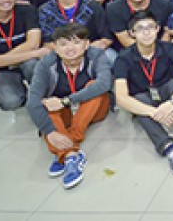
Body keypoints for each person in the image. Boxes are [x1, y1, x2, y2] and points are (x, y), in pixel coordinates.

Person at [113, 10, 173, 177]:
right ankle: (168, 147)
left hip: (167, 93)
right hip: (145, 98)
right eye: (140, 29)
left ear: (158, 29)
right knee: (137, 101)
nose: (147, 32)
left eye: (150, 27)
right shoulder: (124, 57)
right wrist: (155, 112)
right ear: (132, 33)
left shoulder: (169, 48)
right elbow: (120, 97)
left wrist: (172, 103)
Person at [26, 23, 112, 189]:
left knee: (94, 87)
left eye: (76, 42)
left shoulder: (97, 55)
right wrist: (50, 132)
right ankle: (71, 155)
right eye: (63, 44)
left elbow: (104, 83)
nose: (70, 48)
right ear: (56, 48)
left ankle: (66, 149)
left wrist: (66, 100)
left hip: (93, 109)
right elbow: (33, 100)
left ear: (87, 44)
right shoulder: (46, 63)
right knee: (45, 103)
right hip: (64, 113)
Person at [36, 0, 114, 59]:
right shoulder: (45, 10)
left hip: (90, 50)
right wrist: (69, 52)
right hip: (60, 54)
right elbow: (48, 43)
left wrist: (80, 51)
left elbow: (106, 39)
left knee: (110, 56)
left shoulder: (92, 6)